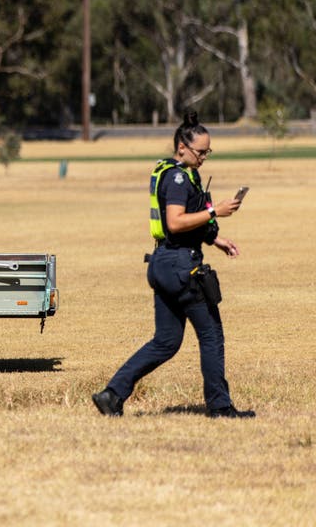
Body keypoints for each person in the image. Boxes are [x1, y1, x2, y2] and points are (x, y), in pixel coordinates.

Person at [92, 111, 255, 419]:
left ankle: (112, 394)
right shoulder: (179, 177)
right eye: (201, 151)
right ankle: (220, 407)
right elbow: (176, 222)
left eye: (209, 151)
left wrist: (215, 239)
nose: (205, 156)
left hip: (164, 262)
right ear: (182, 147)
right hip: (181, 266)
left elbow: (181, 226)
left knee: (166, 341)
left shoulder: (181, 173)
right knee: (211, 335)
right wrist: (214, 212)